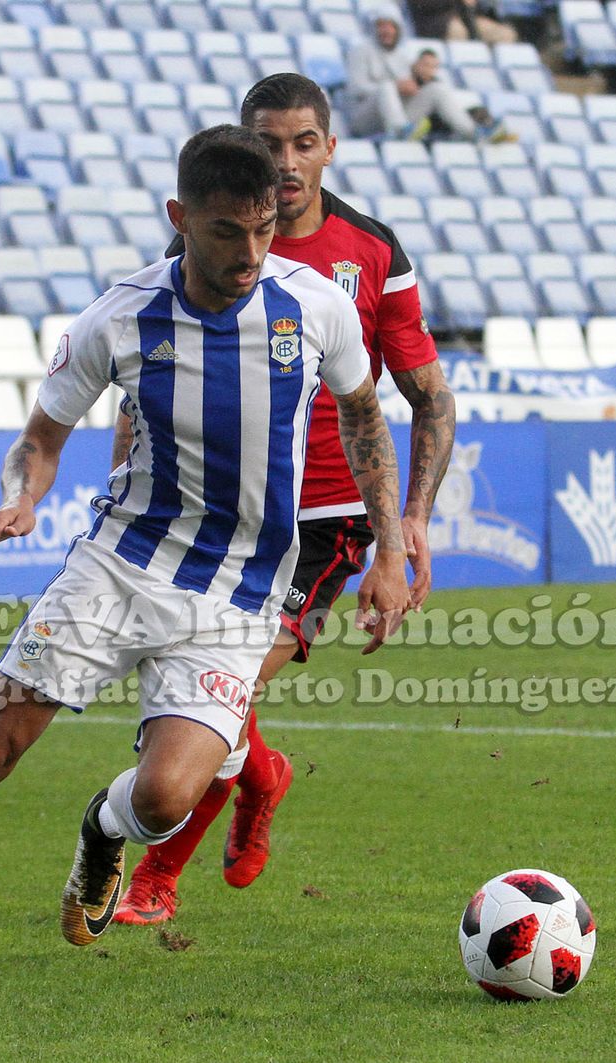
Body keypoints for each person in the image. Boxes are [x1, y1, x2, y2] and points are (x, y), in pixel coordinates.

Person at [0, 125, 412, 977]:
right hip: (117, 567)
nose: (251, 252)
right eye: (228, 231)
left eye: (263, 229)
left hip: (238, 595)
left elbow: (365, 419)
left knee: (165, 800)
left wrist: (391, 549)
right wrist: (20, 496)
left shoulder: (315, 306)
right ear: (180, 217)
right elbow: (41, 439)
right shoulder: (118, 316)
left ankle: (103, 828)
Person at [112, 74, 457, 926]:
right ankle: (263, 775)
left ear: (330, 147)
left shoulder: (371, 252)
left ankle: (158, 874)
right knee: (194, 683)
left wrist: (406, 526)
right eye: (269, 144)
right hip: (215, 516)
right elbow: (145, 389)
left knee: (222, 690)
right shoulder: (204, 245)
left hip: (322, 521)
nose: (288, 162)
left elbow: (429, 397)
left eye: (305, 143)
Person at [346, 6, 513, 141]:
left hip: (397, 115)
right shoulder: (361, 51)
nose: (387, 31)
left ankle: (473, 133)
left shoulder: (402, 56)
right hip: (365, 117)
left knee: (436, 89)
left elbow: (406, 88)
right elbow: (356, 89)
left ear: (398, 29)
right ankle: (399, 130)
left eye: (391, 26)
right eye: (381, 25)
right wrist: (395, 87)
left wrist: (413, 86)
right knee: (387, 87)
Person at [406, 0, 517, 45]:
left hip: (467, 20)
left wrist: (473, 5)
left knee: (505, 33)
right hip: (437, 22)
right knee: (458, 31)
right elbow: (422, 5)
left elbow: (476, 8)